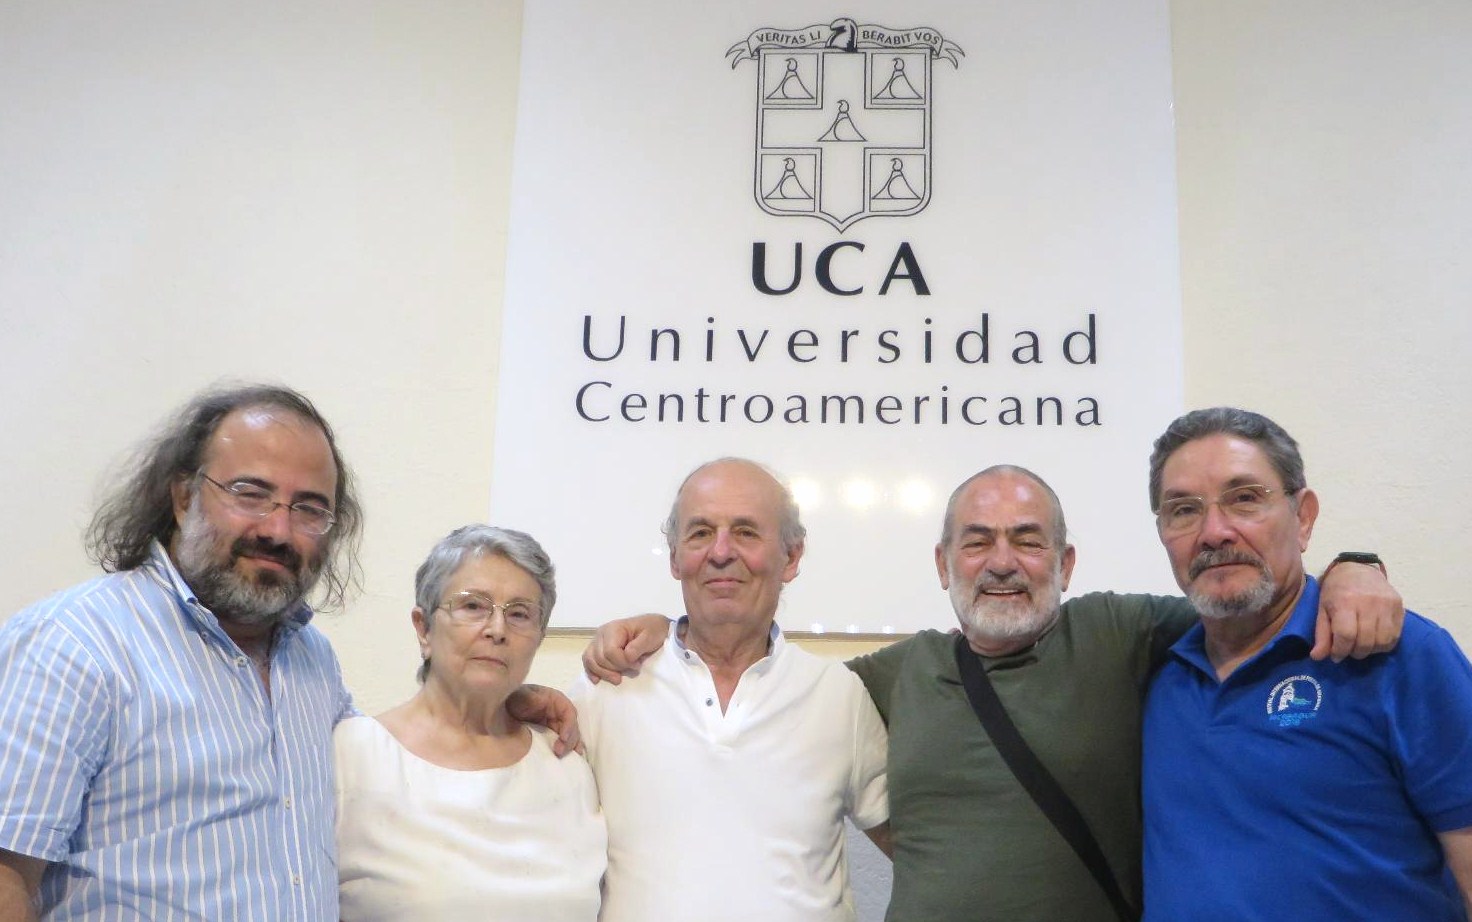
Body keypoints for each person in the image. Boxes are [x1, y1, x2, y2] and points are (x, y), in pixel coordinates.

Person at [587, 463, 1402, 922]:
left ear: (1067, 563)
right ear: (944, 566)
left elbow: (1243, 595)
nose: (1001, 561)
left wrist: (1351, 570)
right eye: (976, 542)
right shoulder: (875, 682)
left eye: (1026, 540)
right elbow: (747, 656)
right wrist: (655, 629)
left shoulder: (1121, 635)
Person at [0, 384, 574, 922]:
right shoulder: (72, 645)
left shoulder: (309, 658)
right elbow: (9, 875)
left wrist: (501, 699)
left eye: (308, 509)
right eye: (251, 494)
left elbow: (403, 749)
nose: (277, 529)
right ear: (182, 498)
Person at [1140, 407, 1472, 919]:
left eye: (1245, 498)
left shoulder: (1399, 654)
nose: (1214, 531)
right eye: (1183, 509)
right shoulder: (1152, 671)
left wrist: (1354, 567)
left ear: (1304, 516)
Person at [569, 458, 890, 922]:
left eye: (745, 532)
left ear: (792, 557)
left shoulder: (837, 695)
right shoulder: (610, 685)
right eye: (700, 533)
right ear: (676, 557)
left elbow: (921, 851)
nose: (721, 553)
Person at [335, 525, 605, 921]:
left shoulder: (564, 763)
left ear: (539, 637)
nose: (497, 630)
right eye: (473, 606)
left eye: (519, 614)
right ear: (423, 628)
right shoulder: (352, 755)